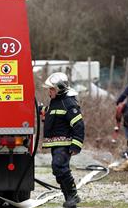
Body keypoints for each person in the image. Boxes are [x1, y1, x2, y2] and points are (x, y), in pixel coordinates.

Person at [41, 72, 85, 208]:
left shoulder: (69, 103)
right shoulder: (55, 102)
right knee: (57, 169)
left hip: (65, 144)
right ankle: (70, 197)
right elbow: (49, 112)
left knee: (59, 166)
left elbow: (79, 125)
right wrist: (39, 109)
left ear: (59, 90)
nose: (49, 91)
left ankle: (72, 196)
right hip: (56, 144)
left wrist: (76, 145)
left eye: (52, 89)